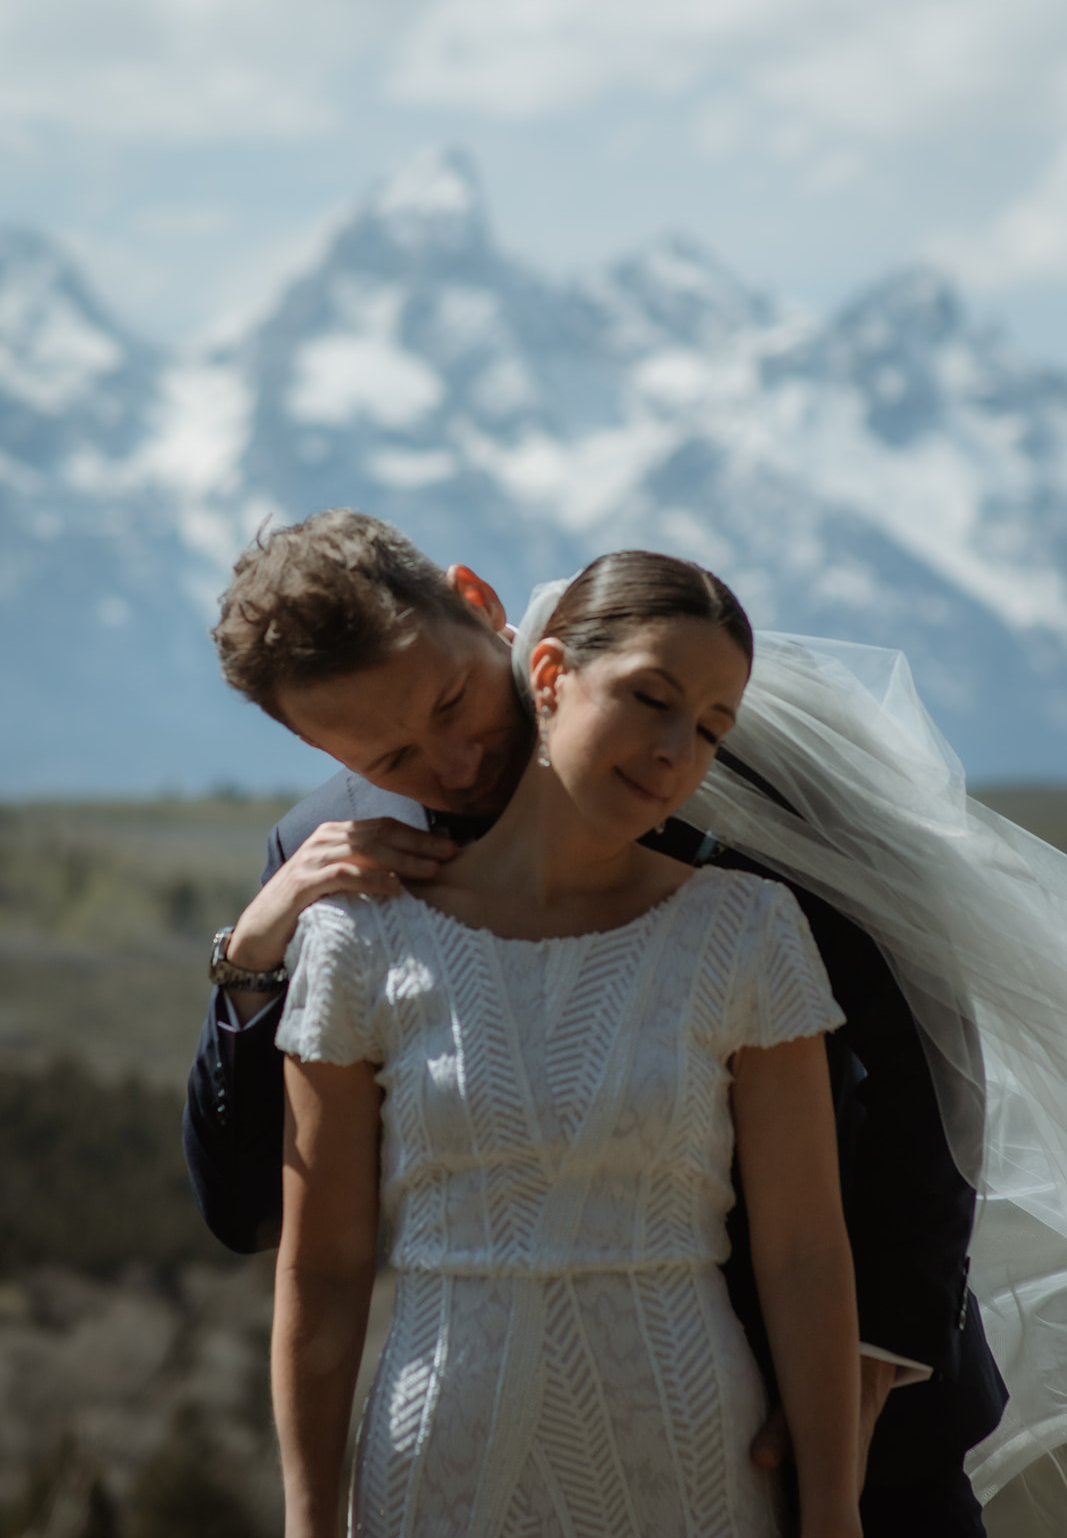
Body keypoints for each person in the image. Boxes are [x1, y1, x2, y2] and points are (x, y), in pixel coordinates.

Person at [183, 510, 1008, 1536]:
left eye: (451, 700)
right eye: (390, 753)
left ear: (480, 606)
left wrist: (876, 1335)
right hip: (473, 1437)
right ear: (315, 746)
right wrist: (253, 954)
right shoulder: (325, 858)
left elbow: (922, 1024)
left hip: (828, 1408)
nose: (448, 762)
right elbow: (252, 1209)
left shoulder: (708, 754)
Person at [272, 549, 861, 1538]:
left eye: (711, 727)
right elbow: (322, 1266)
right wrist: (307, 1519)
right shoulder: (359, 936)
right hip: (439, 1462)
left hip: (687, 1452)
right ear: (547, 676)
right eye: (650, 697)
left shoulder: (748, 930)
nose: (678, 749)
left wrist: (833, 1507)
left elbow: (803, 1251)